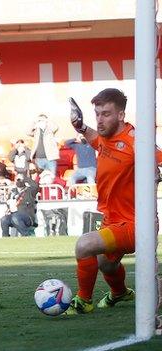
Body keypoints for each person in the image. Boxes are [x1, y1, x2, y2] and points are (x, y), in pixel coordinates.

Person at [65, 88, 162, 315]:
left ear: (121, 116)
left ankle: (83, 301)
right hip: (112, 220)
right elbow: (95, 140)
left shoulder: (135, 141)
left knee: (84, 245)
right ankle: (120, 293)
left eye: (106, 114)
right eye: (97, 113)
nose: (99, 119)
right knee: (106, 264)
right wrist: (80, 126)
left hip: (135, 224)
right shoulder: (106, 138)